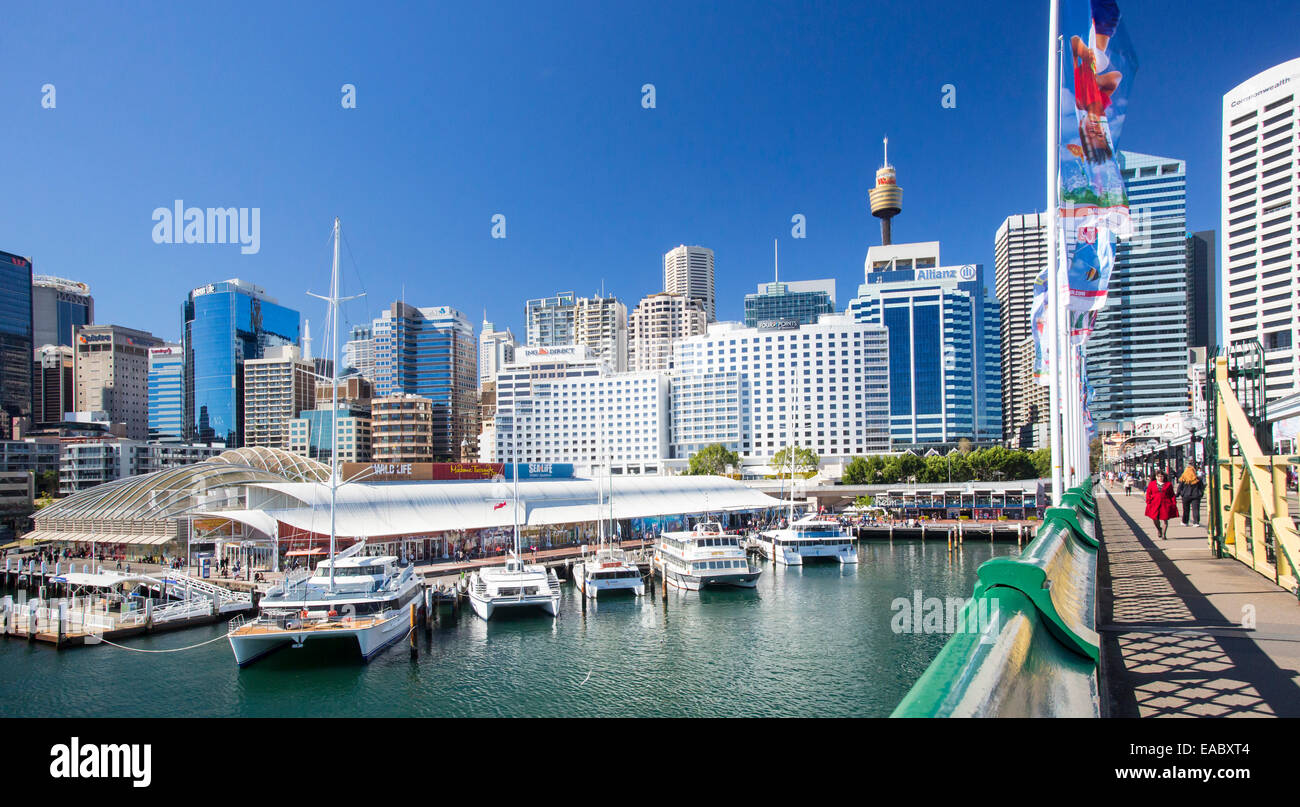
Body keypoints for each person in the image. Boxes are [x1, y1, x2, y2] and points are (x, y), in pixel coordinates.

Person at [1145, 469, 1178, 541]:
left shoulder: (1168, 484)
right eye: (1158, 476)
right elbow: (1148, 493)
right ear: (1156, 477)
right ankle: (1159, 529)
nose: (1160, 478)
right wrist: (1148, 502)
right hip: (1155, 503)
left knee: (1165, 519)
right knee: (1155, 519)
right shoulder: (1152, 484)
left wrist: (1173, 503)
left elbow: (1172, 494)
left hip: (1165, 503)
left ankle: (1164, 534)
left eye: (1161, 476)